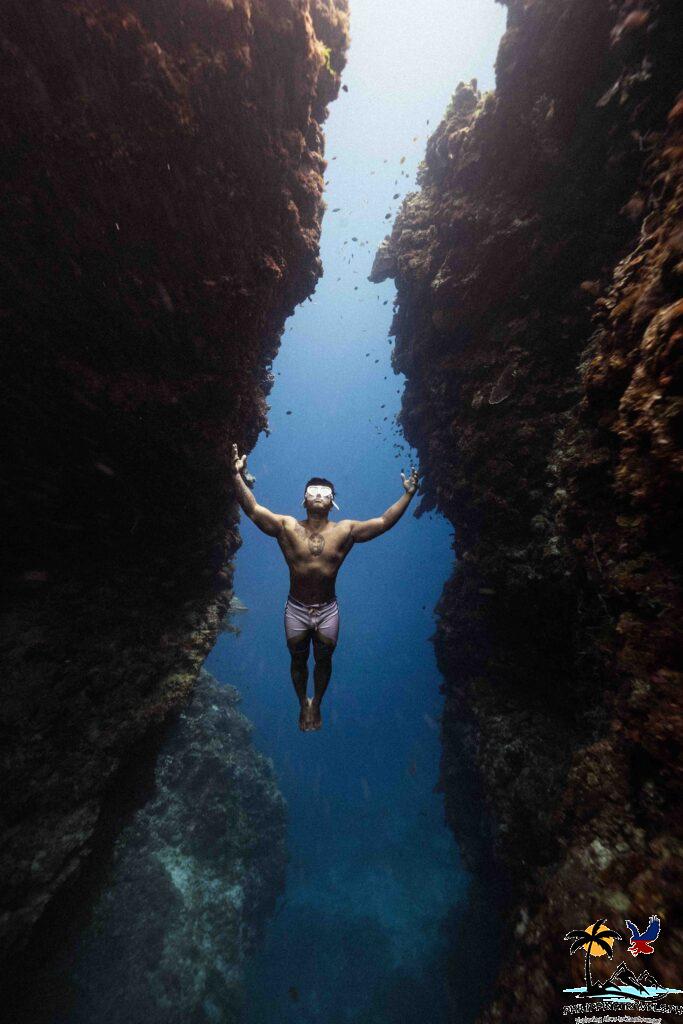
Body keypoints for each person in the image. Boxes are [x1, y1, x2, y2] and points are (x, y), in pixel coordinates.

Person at [230, 443, 419, 731]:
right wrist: (236, 477)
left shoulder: (345, 530)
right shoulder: (286, 526)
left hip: (328, 610)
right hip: (296, 609)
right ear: (303, 500)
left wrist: (407, 494)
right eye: (313, 492)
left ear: (333, 502)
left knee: (323, 659)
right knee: (298, 659)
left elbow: (382, 522)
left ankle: (316, 702)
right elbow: (253, 510)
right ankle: (300, 703)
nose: (319, 496)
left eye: (325, 493)